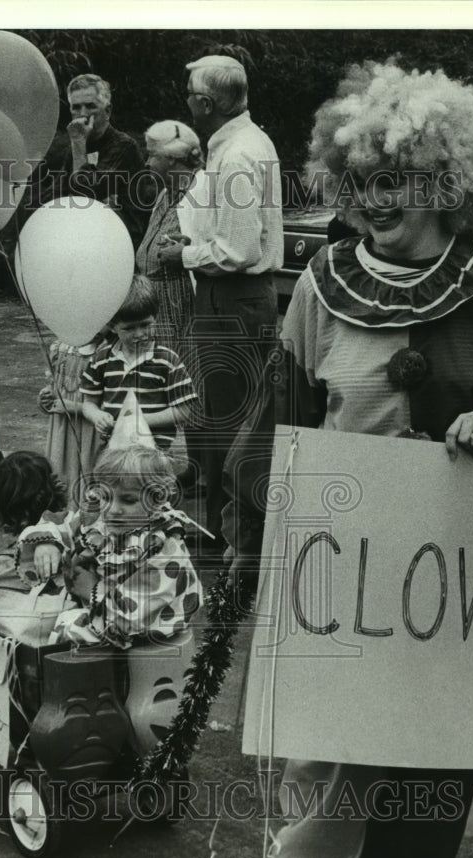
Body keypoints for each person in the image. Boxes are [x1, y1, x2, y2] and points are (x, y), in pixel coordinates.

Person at [223, 60, 473, 858]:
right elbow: (273, 431)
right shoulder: (317, 291)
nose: (370, 199)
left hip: (455, 598)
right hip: (337, 592)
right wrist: (250, 550)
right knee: (316, 822)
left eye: (392, 179)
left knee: (421, 816)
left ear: (444, 180)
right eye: (356, 181)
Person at [158, 54, 284, 550]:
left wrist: (183, 255)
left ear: (206, 103)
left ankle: (228, 537)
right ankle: (226, 529)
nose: (186, 100)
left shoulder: (236, 155)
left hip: (231, 299)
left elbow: (239, 250)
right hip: (234, 298)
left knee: (224, 423)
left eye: (190, 94)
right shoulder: (244, 142)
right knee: (222, 416)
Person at [0, 447, 203, 649]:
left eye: (128, 500)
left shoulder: (162, 549)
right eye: (105, 497)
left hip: (139, 630)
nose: (113, 510)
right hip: (100, 611)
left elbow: (135, 618)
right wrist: (47, 542)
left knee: (53, 636)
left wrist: (92, 590)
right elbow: (64, 523)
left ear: (157, 500)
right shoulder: (100, 520)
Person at [135, 119, 207, 486]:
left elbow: (208, 243)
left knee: (188, 382)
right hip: (156, 300)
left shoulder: (200, 193)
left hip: (182, 299)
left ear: (174, 161)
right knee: (163, 381)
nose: (147, 164)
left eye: (153, 156)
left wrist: (184, 250)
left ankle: (201, 467)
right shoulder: (166, 193)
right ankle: (182, 466)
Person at [79, 275, 199, 454]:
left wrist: (138, 420)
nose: (139, 334)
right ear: (112, 326)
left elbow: (185, 410)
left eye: (146, 324)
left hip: (154, 453)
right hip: (114, 451)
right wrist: (98, 417)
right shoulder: (102, 359)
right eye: (129, 328)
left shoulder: (166, 360)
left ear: (155, 318)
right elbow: (88, 403)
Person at [25, 73, 147, 246]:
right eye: (76, 108)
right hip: (86, 238)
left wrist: (78, 142)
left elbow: (85, 194)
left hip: (120, 242)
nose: (83, 114)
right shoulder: (76, 149)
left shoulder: (124, 146)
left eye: (90, 106)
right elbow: (51, 198)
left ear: (107, 111)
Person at [37, 329, 112, 509]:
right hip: (62, 430)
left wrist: (73, 407)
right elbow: (54, 390)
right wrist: (44, 399)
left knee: (90, 472)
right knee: (61, 472)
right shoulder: (60, 347)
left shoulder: (107, 352)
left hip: (91, 429)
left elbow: (112, 403)